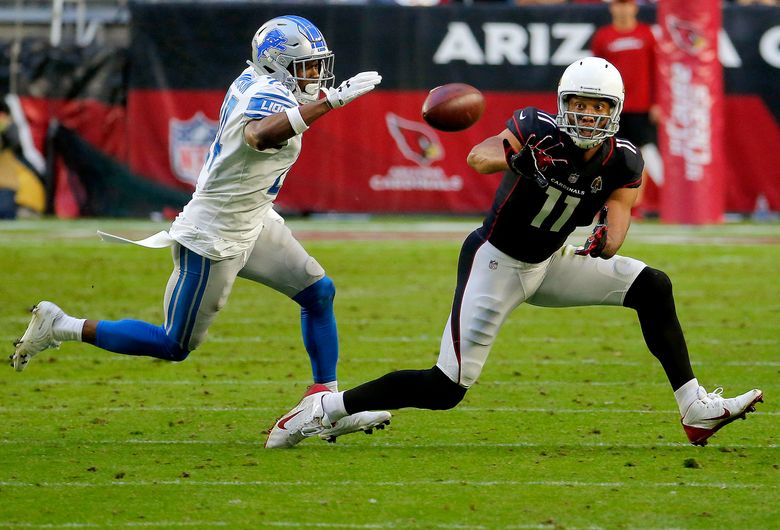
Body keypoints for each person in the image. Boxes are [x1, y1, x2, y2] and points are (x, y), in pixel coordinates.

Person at [267, 57, 763, 449]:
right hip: (496, 261)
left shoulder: (623, 158)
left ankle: (694, 407)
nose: (587, 115)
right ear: (563, 103)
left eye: (597, 107)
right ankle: (326, 410)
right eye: (580, 104)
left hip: (551, 263)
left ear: (613, 112)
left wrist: (605, 240)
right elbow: (479, 155)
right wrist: (518, 157)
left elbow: (619, 216)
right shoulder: (536, 129)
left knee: (652, 286)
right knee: (446, 388)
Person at [11, 15, 391, 447]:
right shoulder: (264, 92)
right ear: (277, 65)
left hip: (255, 219)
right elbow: (260, 136)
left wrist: (322, 98)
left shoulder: (270, 83)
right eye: (306, 66)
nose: (317, 76)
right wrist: (330, 102)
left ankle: (323, 401)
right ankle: (61, 325)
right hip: (214, 235)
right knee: (174, 344)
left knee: (318, 292)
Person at [591, 0, 661, 215]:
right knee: (610, 154)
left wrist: (657, 102)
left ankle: (637, 204)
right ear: (612, 7)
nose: (622, 9)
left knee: (643, 153)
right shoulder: (603, 36)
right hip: (613, 106)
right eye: (618, 4)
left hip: (641, 105)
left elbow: (656, 69)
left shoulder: (646, 34)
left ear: (634, 7)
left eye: (626, 4)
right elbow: (597, 72)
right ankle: (609, 202)